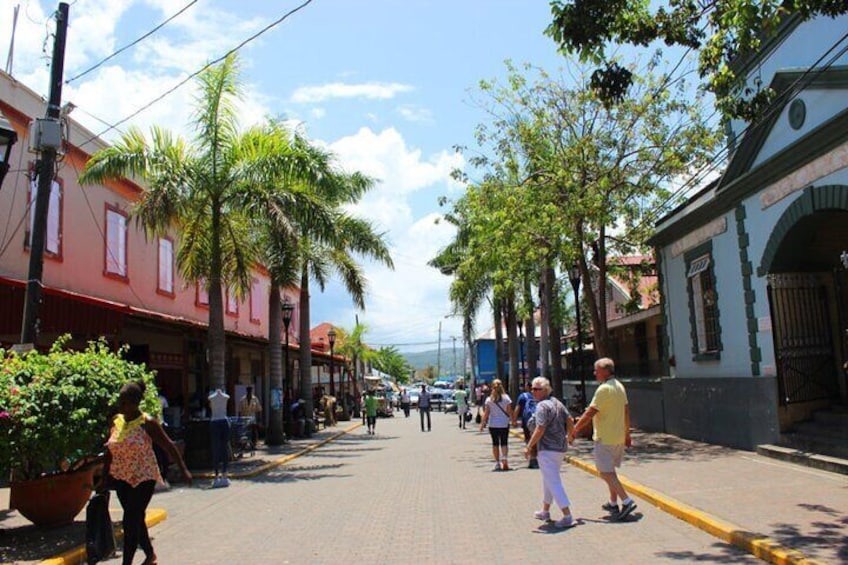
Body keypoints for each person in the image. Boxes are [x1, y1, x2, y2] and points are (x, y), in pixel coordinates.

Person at [99, 381, 192, 565]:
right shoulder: (116, 421)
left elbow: (169, 446)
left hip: (144, 477)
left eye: (125, 402)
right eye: (121, 402)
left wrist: (184, 470)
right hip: (122, 477)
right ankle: (150, 555)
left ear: (135, 403)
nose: (122, 406)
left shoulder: (147, 423)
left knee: (130, 520)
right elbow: (110, 450)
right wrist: (104, 477)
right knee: (136, 517)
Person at [568, 357, 637, 520]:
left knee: (605, 472)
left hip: (605, 437)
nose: (594, 373)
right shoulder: (619, 386)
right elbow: (626, 411)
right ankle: (613, 503)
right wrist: (627, 434)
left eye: (596, 370)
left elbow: (590, 412)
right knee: (611, 471)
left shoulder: (603, 389)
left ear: (606, 371)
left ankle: (626, 501)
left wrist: (574, 431)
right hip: (618, 436)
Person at [524, 376, 576, 529]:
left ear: (545, 390)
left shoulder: (542, 406)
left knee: (553, 481)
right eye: (532, 388)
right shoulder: (557, 403)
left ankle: (567, 515)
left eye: (537, 389)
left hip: (547, 449)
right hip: (559, 448)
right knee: (548, 480)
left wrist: (529, 446)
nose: (533, 391)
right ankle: (545, 511)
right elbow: (570, 420)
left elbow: (540, 428)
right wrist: (571, 437)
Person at [479, 379, 512, 471]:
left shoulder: (489, 399)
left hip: (493, 424)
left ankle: (497, 463)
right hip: (504, 424)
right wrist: (513, 420)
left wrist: (482, 424)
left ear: (492, 387)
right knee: (504, 442)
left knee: (495, 444)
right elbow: (509, 411)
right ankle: (504, 458)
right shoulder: (506, 398)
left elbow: (486, 413)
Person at [512, 381, 539, 469]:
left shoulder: (523, 396)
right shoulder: (540, 395)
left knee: (529, 440)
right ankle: (538, 458)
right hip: (539, 420)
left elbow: (517, 408)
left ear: (527, 387)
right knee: (538, 439)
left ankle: (533, 459)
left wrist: (514, 420)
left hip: (527, 421)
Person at [208, 388, 230, 488]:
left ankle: (220, 475)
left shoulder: (214, 398)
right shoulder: (223, 397)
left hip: (215, 422)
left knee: (218, 449)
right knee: (221, 448)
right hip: (222, 422)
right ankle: (221, 475)